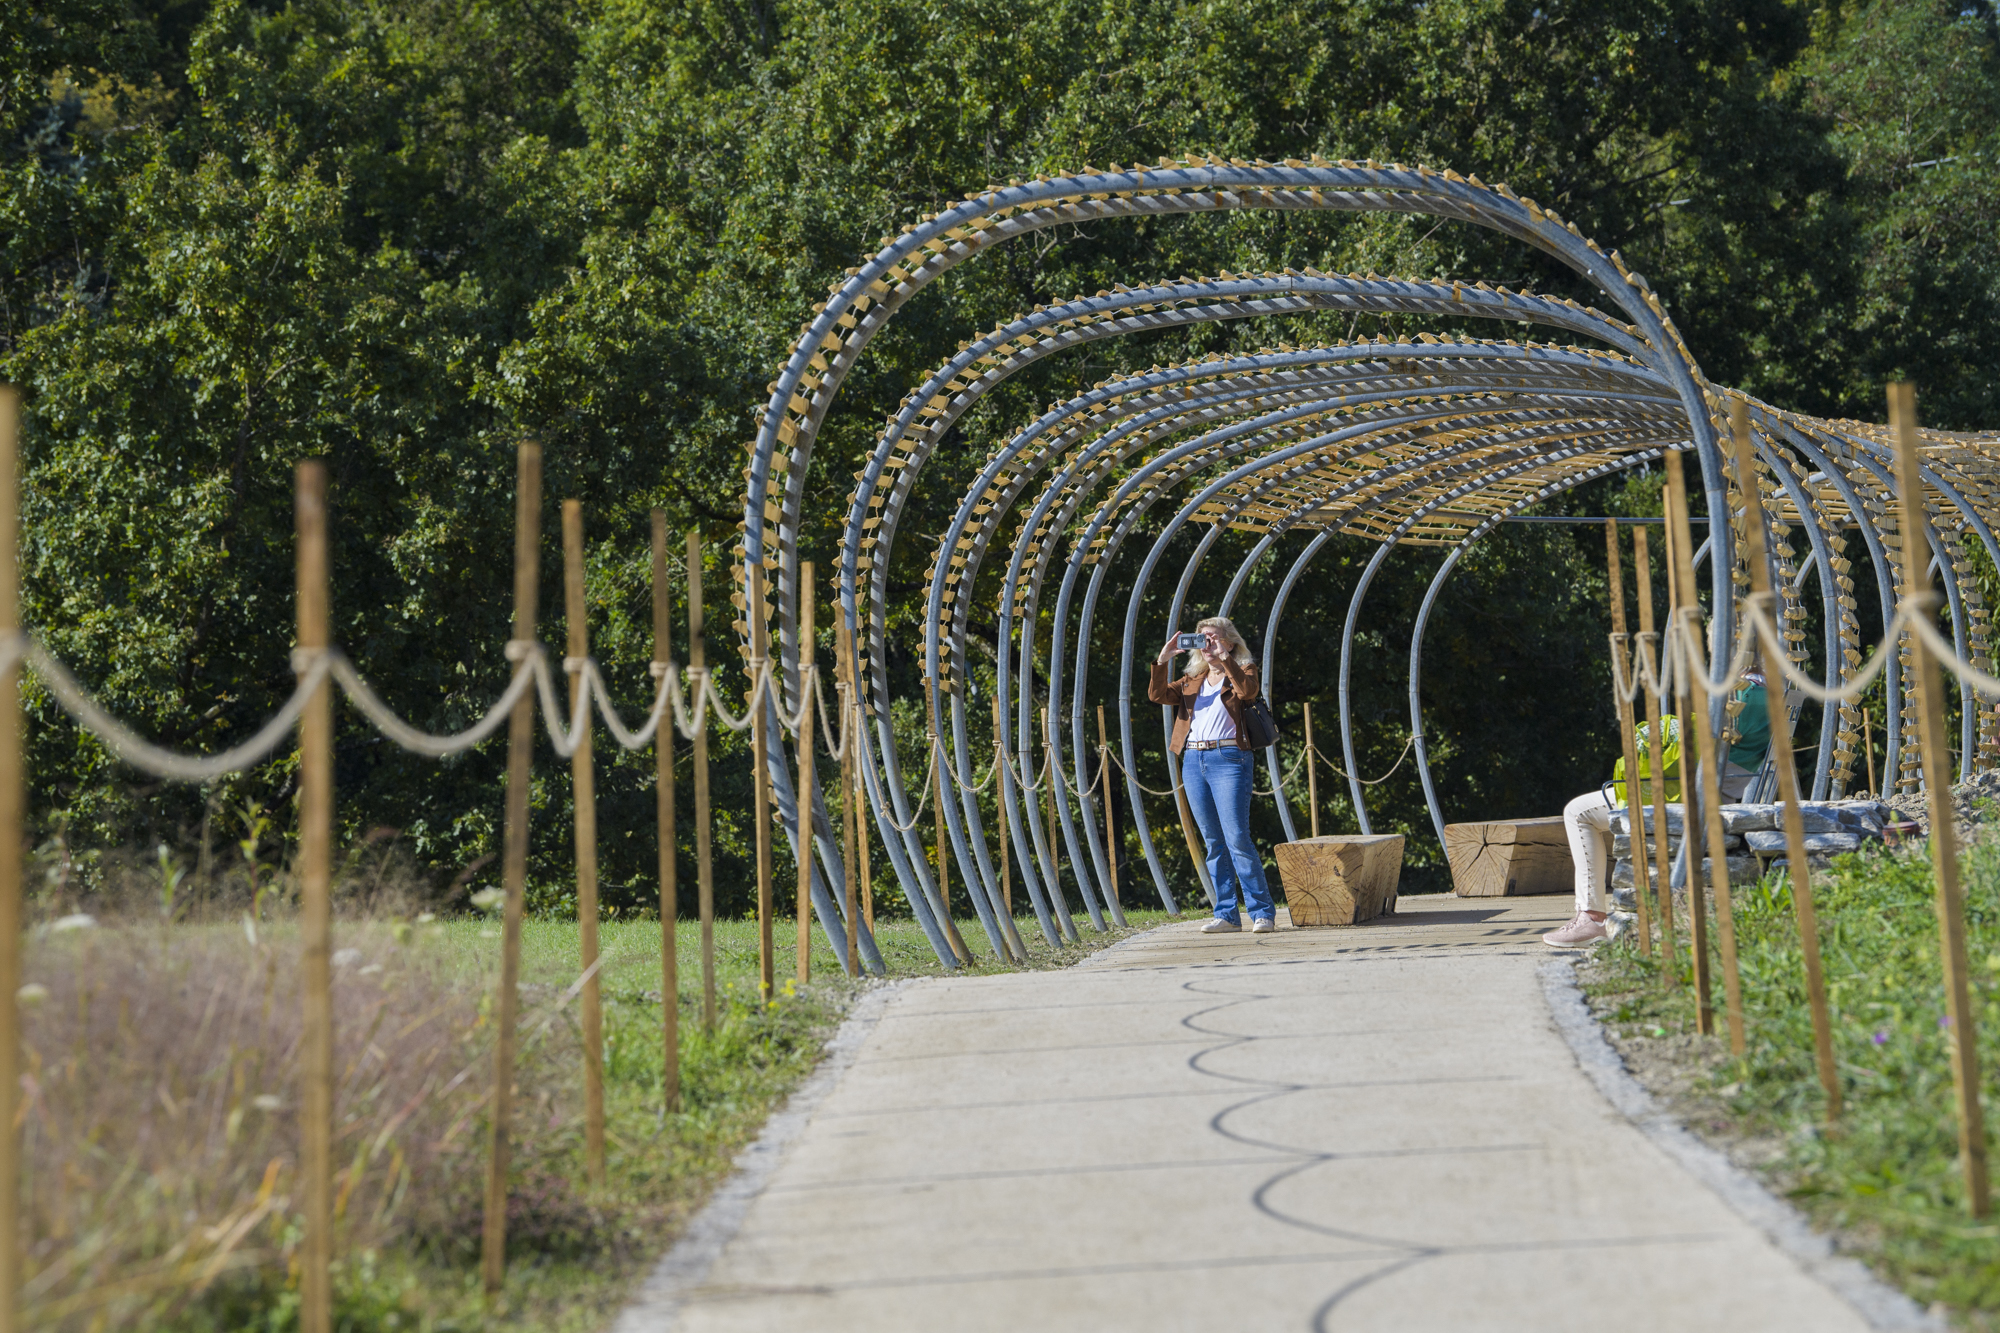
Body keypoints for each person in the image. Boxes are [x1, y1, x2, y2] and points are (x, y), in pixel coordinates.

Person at [1544, 667, 1772, 948]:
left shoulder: (1748, 693)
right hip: (1718, 791)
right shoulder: (1772, 695)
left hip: (1683, 793)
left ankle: (1590, 916)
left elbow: (1707, 733)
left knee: (1578, 812)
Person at [1150, 616, 1277, 934]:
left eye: (1212, 638)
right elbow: (1157, 696)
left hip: (1229, 758)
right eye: (1201, 638)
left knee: (1237, 837)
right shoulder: (1192, 679)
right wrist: (1162, 660)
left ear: (1229, 642)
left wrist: (1225, 659)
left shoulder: (1242, 670)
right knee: (1213, 842)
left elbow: (1248, 693)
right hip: (1193, 759)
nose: (1205, 643)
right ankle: (1226, 914)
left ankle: (1262, 912)